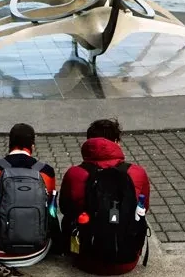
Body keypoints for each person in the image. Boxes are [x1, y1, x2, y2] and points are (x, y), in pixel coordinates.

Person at [60, 118, 151, 275]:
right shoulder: (137, 172)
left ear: (89, 143)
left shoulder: (74, 173)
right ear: (116, 142)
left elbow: (64, 208)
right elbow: (144, 207)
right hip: (127, 261)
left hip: (84, 260)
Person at [0, 123, 57, 268]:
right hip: (36, 251)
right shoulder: (47, 171)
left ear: (10, 144)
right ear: (32, 146)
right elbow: (50, 210)